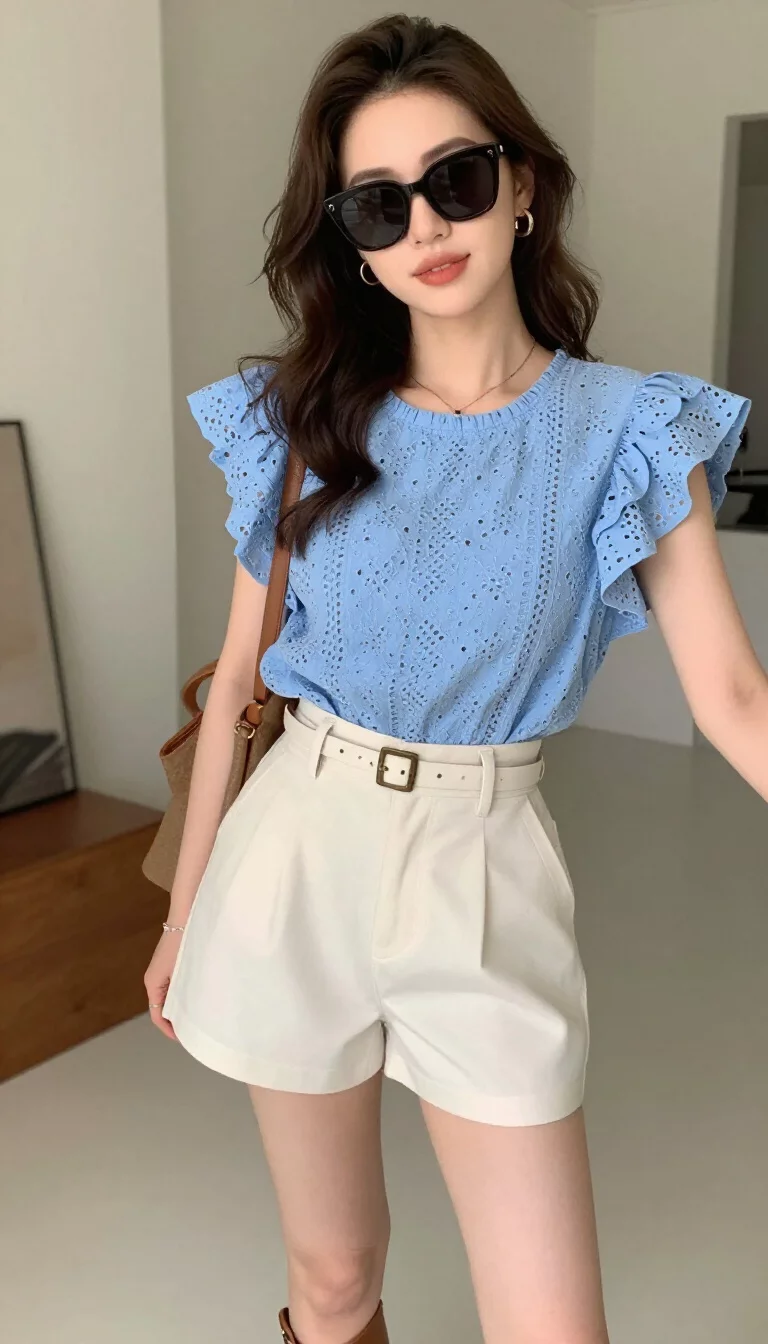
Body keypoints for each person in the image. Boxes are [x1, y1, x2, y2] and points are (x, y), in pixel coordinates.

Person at [144, 14, 762, 1344]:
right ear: (352, 244)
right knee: (334, 1281)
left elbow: (736, 700)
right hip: (294, 858)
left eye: (457, 178)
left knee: (554, 1327)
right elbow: (243, 675)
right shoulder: (303, 418)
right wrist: (184, 915)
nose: (425, 223)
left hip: (485, 868)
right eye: (378, 203)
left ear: (522, 184)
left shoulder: (628, 430)